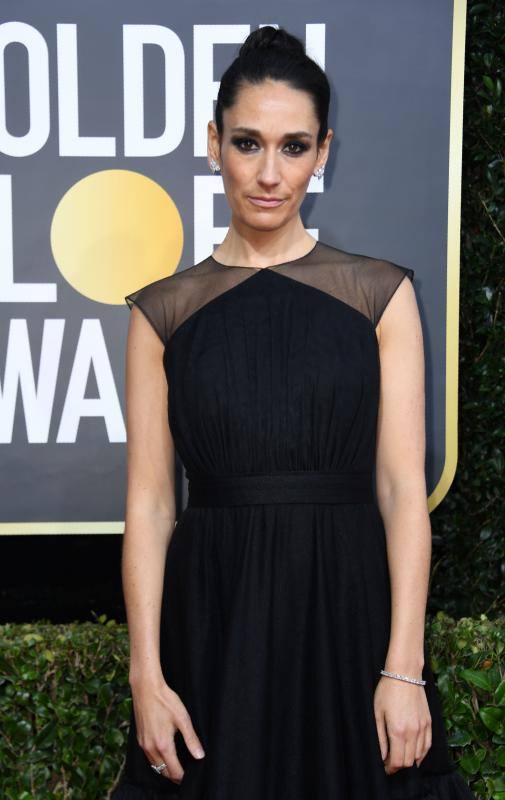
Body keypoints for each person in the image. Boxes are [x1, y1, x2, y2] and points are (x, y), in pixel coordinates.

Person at [111, 25, 475, 800]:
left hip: (349, 617)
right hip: (214, 623)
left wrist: (402, 667)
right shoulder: (161, 313)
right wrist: (146, 674)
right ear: (212, 144)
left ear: (323, 151)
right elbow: (147, 503)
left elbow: (401, 492)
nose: (269, 173)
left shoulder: (380, 296)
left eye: (293, 146)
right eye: (247, 143)